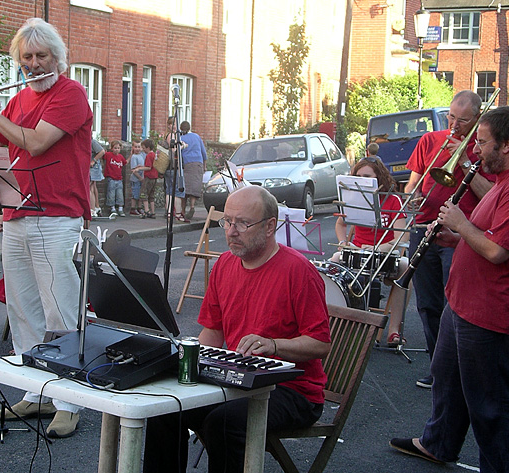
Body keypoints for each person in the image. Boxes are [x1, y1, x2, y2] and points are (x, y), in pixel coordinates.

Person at [0, 17, 91, 438]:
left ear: (57, 58)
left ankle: (69, 399)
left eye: (41, 56)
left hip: (57, 215)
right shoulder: (21, 99)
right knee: (22, 308)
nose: (32, 64)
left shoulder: (72, 94)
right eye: (26, 57)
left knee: (59, 309)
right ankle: (37, 390)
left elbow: (36, 142)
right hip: (17, 213)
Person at [390, 106, 509, 473]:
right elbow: (490, 236)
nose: (474, 150)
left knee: (492, 404)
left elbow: (497, 250)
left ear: (507, 144)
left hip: (492, 312)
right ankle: (438, 442)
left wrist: (461, 225)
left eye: (482, 142)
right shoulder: (506, 181)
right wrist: (455, 238)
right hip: (465, 304)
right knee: (447, 379)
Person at [143, 186, 331, 473]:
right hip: (239, 379)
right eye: (227, 221)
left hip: (293, 391)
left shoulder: (298, 271)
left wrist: (274, 345)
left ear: (270, 226)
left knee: (224, 423)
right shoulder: (224, 265)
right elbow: (213, 334)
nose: (231, 231)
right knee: (165, 406)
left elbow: (320, 343)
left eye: (243, 223)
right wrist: (184, 364)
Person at [403, 90, 494, 389]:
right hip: (424, 226)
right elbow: (412, 185)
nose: (454, 125)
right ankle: (436, 367)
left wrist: (464, 162)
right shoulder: (430, 140)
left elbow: (491, 196)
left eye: (462, 120)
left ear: (477, 118)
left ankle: (458, 369)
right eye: (451, 117)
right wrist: (413, 198)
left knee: (454, 304)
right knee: (427, 304)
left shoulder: (481, 151)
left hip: (460, 233)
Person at [331, 156, 408, 346]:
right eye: (358, 176)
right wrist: (342, 243)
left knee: (406, 267)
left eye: (366, 176)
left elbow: (402, 237)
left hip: (383, 254)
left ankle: (394, 331)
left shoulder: (393, 200)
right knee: (332, 262)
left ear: (378, 178)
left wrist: (379, 248)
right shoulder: (352, 197)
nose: (361, 180)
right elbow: (340, 225)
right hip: (357, 251)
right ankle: (337, 325)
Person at [178, 120, 207, 220]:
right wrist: (204, 166)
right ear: (189, 128)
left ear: (181, 128)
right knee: (194, 187)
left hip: (187, 164)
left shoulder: (180, 138)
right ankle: (192, 206)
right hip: (198, 163)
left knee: (184, 188)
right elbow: (203, 152)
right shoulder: (196, 136)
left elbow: (178, 153)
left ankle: (182, 210)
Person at [161, 117, 187, 222]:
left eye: (176, 124)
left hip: (168, 167)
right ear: (169, 125)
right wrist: (183, 146)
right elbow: (174, 150)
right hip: (173, 167)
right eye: (173, 124)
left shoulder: (168, 135)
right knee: (177, 190)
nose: (175, 126)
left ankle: (169, 212)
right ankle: (177, 214)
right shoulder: (171, 135)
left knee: (169, 191)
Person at [103, 140, 127, 216]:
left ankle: (120, 208)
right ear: (112, 148)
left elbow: (125, 162)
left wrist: (131, 156)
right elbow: (102, 154)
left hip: (119, 179)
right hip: (111, 178)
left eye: (118, 148)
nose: (117, 149)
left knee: (120, 194)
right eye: (115, 148)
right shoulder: (109, 155)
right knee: (111, 194)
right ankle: (112, 208)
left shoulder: (120, 157)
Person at [139, 138, 158, 218]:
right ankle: (153, 211)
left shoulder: (149, 156)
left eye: (143, 148)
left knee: (144, 194)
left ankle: (146, 210)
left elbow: (148, 167)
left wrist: (139, 169)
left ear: (148, 148)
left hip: (148, 177)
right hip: (154, 177)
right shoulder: (154, 155)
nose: (142, 150)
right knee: (151, 195)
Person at [128, 140, 146, 216]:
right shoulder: (134, 157)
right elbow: (134, 170)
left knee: (140, 194)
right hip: (136, 179)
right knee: (135, 194)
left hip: (142, 178)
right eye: (136, 147)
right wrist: (140, 177)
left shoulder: (142, 155)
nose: (137, 149)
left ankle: (139, 207)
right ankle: (133, 208)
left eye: (139, 147)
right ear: (133, 148)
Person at [89, 139, 105, 217]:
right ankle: (96, 207)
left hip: (93, 167)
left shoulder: (92, 142)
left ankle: (92, 210)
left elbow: (102, 151)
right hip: (90, 167)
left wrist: (93, 161)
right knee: (93, 186)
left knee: (89, 187)